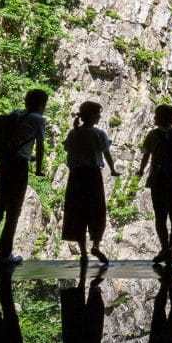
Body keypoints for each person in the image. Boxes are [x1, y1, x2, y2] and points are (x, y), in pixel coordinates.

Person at [0, 88, 50, 264]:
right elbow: (40, 145)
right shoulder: (38, 119)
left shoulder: (16, 114)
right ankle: (5, 255)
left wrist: (29, 156)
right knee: (13, 211)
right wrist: (38, 168)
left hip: (3, 163)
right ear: (42, 105)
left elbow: (17, 141)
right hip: (18, 168)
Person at [135, 103, 172, 266]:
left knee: (160, 215)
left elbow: (146, 155)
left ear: (159, 118)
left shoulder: (152, 135)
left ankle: (165, 247)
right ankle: (171, 249)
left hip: (158, 179)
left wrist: (141, 170)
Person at [61, 99, 115, 264]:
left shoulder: (73, 133)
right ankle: (96, 245)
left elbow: (68, 149)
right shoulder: (98, 134)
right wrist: (112, 169)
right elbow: (106, 153)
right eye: (98, 113)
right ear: (92, 115)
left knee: (77, 212)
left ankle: (83, 252)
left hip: (76, 176)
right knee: (96, 211)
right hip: (92, 176)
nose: (99, 117)